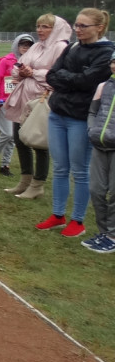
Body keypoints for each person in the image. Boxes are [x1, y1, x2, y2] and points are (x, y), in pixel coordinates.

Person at [35, 8, 114, 238]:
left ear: (99, 27)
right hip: (58, 113)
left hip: (80, 118)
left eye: (83, 26)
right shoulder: (72, 46)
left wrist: (66, 79)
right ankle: (57, 215)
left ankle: (77, 220)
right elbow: (51, 75)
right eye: (76, 25)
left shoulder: (106, 52)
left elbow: (88, 81)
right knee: (60, 168)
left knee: (80, 170)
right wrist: (71, 79)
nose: (77, 30)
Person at [1, 14, 72, 198]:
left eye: (45, 27)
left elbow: (60, 74)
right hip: (23, 96)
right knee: (19, 138)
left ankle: (37, 184)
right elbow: (17, 65)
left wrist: (34, 73)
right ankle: (25, 180)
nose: (40, 30)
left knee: (39, 141)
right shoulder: (36, 46)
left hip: (42, 98)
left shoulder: (61, 47)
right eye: (38, 26)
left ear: (55, 29)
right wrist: (21, 71)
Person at [0, 34, 34, 177]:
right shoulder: (6, 61)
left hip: (22, 103)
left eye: (29, 45)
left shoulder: (32, 63)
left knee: (14, 137)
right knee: (7, 133)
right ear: (16, 45)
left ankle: (5, 164)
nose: (25, 47)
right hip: (5, 103)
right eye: (22, 44)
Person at [82, 50, 115, 253]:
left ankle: (112, 235)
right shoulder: (104, 86)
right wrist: (91, 129)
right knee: (96, 190)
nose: (114, 66)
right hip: (99, 145)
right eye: (113, 61)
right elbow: (93, 111)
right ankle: (104, 232)